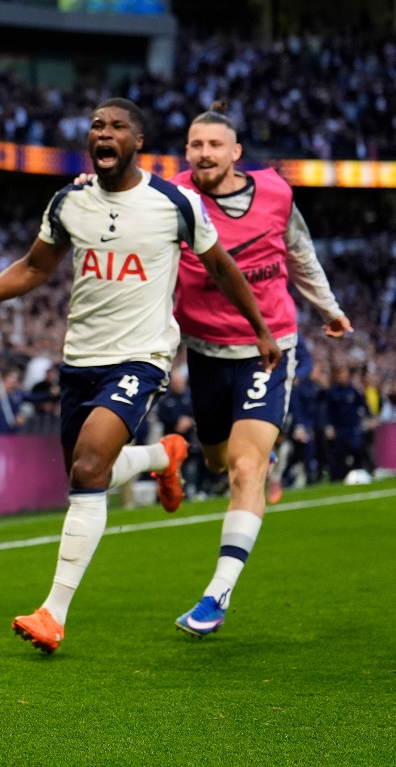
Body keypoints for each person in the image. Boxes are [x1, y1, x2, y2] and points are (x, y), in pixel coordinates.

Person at [0, 98, 280, 654]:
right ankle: (163, 457)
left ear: (137, 141)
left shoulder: (174, 202)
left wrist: (260, 329)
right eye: (96, 126)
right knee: (86, 472)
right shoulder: (69, 202)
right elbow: (33, 268)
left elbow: (220, 267)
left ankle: (53, 611)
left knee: (89, 467)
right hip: (79, 362)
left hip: (141, 357)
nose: (104, 133)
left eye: (117, 126)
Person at [169, 103, 351, 637]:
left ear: (235, 152)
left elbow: (300, 253)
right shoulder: (172, 197)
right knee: (216, 460)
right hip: (204, 350)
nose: (205, 154)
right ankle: (172, 455)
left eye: (214, 145)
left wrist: (329, 307)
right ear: (186, 152)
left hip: (268, 347)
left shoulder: (275, 193)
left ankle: (215, 596)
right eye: (196, 145)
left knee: (249, 470)